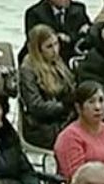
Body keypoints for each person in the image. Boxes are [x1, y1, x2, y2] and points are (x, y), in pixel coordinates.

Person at [19, 24, 76, 152]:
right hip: (43, 126)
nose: (55, 50)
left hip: (64, 116)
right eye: (49, 47)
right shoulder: (28, 69)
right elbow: (35, 106)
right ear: (38, 50)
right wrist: (64, 106)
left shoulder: (57, 61)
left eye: (56, 44)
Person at [24, 0, 91, 63]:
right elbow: (36, 41)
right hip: (45, 59)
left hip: (72, 55)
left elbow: (87, 34)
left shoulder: (78, 9)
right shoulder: (35, 13)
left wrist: (69, 38)